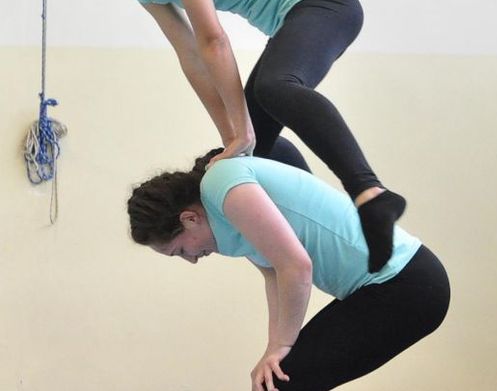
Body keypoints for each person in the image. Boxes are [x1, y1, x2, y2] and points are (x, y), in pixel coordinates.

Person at [127, 0, 406, 272]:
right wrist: (235, 137)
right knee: (253, 152)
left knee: (274, 87)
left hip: (325, 2)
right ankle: (331, 232)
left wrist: (241, 132)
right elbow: (192, 56)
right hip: (294, 18)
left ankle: (370, 192)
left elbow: (213, 41)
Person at [127, 148, 450, 391]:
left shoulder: (220, 185)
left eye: (181, 250)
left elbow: (296, 267)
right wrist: (275, 347)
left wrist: (281, 347)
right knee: (275, 378)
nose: (192, 260)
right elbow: (273, 274)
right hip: (388, 288)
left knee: (281, 383)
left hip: (404, 284)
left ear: (189, 219)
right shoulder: (226, 218)